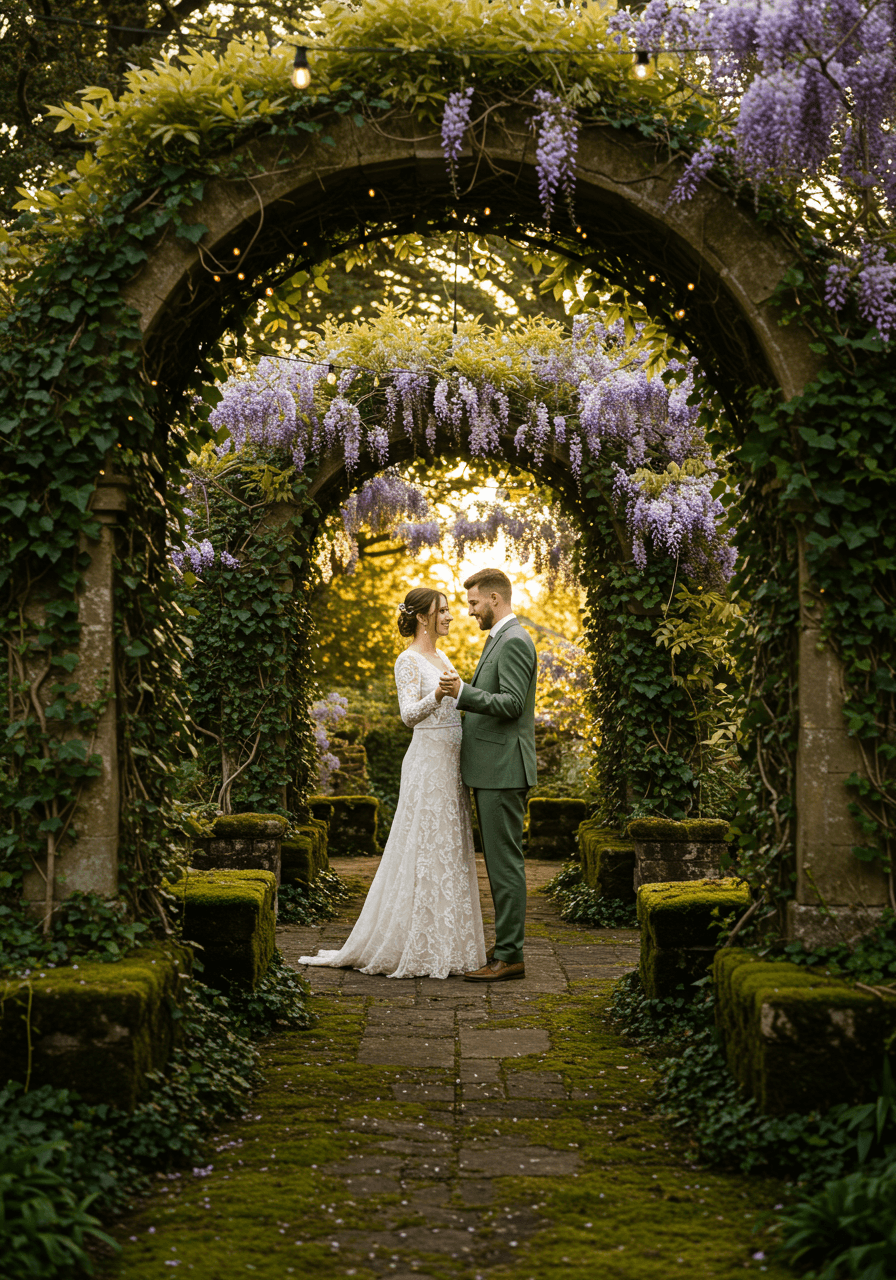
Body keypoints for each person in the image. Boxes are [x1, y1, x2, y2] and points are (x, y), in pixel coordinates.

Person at [298, 587, 486, 979]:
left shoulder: (442, 655)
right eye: (444, 611)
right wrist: (437, 693)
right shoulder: (408, 660)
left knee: (447, 846)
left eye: (452, 610)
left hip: (450, 765)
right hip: (427, 762)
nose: (451, 616)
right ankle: (414, 942)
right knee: (423, 845)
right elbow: (407, 715)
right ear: (423, 617)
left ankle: (447, 942)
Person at [439, 568, 537, 983]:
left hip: (503, 770)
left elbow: (512, 703)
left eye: (474, 603)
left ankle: (510, 956)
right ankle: (506, 946)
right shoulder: (501, 638)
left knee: (504, 865)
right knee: (500, 864)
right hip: (493, 769)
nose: (470, 611)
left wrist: (463, 692)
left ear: (495, 599)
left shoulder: (514, 641)